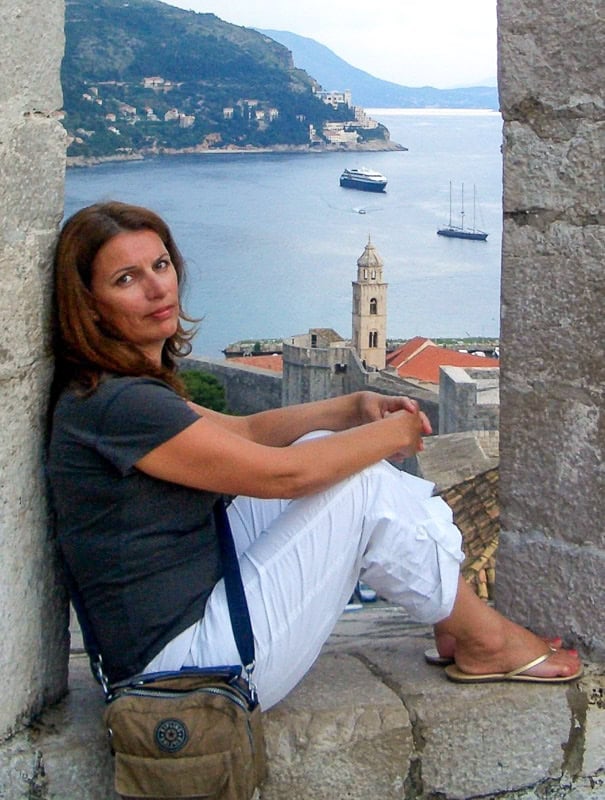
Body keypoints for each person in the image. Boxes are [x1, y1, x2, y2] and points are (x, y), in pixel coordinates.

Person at [47, 201, 582, 711]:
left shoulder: (113, 390)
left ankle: (456, 618)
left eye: (160, 264)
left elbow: (249, 431)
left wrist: (351, 407)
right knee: (360, 485)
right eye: (126, 279)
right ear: (89, 305)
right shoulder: (119, 404)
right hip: (189, 675)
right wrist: (394, 434)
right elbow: (287, 476)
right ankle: (482, 636)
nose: (156, 286)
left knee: (320, 451)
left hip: (179, 634)